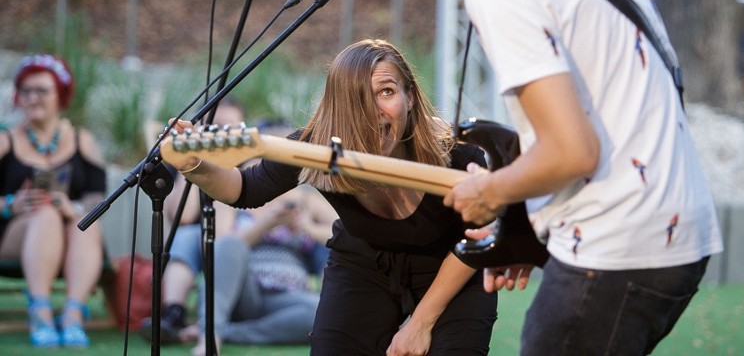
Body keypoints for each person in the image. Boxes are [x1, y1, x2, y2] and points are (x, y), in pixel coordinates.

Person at [374, 0, 724, 356]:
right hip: (673, 231)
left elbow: (572, 150)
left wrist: (489, 192)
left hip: (616, 247)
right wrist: (526, 232)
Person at [167, 39, 498, 355]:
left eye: (387, 91)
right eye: (357, 97)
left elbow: (479, 237)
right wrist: (194, 165)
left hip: (452, 268)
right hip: (364, 264)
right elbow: (244, 189)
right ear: (339, 104)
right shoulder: (317, 146)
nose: (374, 110)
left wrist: (421, 322)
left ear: (410, 97)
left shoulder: (458, 153)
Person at [0, 53, 107, 348]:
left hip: (72, 232)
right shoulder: (5, 140)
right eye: (26, 91)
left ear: (60, 95)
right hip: (14, 232)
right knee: (45, 214)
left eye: (42, 90)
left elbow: (98, 196)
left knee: (85, 224)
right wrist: (11, 203)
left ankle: (73, 315)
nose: (33, 97)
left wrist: (72, 208)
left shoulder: (82, 140)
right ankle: (42, 313)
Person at [139, 97, 246, 345]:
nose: (221, 136)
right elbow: (182, 217)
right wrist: (196, 162)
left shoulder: (251, 167)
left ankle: (205, 326)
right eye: (214, 128)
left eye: (228, 129)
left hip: (237, 266)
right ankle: (174, 314)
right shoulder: (193, 164)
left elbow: (223, 236)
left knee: (202, 238)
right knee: (187, 234)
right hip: (199, 249)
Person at [189, 187, 335, 356]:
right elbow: (217, 249)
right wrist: (266, 224)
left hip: (289, 299)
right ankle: (210, 336)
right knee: (231, 244)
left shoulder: (305, 200)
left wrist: (308, 228)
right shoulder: (231, 196)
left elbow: (346, 232)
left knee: (319, 312)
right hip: (244, 292)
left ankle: (227, 332)